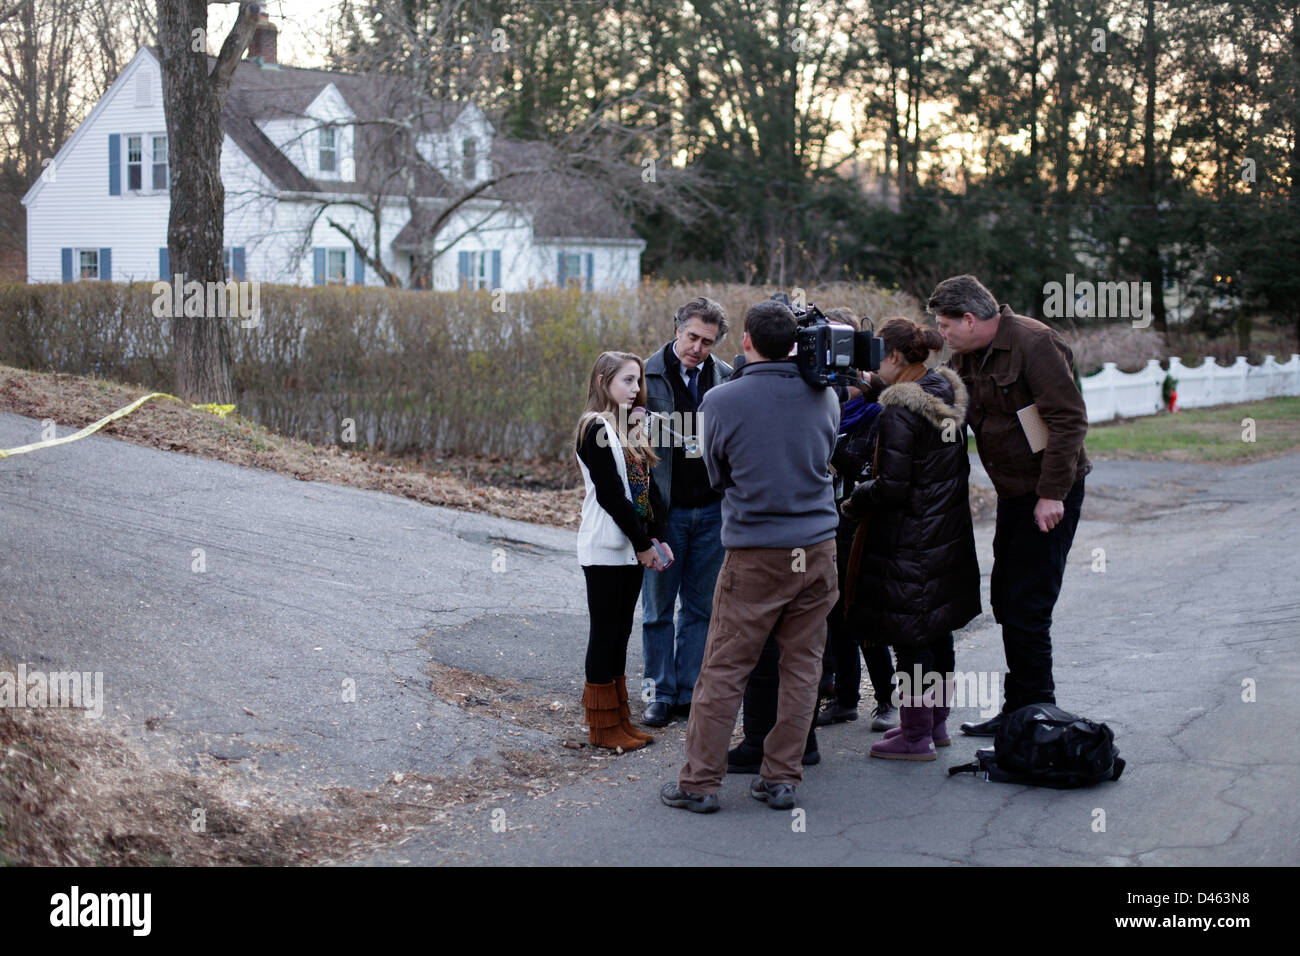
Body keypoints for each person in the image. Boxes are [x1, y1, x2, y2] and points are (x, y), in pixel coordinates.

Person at [660, 300, 840, 813]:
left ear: (744, 341)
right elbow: (825, 457)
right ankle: (782, 778)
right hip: (817, 548)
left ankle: (699, 783)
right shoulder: (825, 395)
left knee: (723, 669)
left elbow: (717, 474)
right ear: (793, 344)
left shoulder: (721, 400)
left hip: (756, 551)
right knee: (802, 667)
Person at [927, 275, 1090, 736]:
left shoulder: (1034, 343)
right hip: (1015, 494)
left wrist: (1052, 494)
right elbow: (944, 399)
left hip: (1049, 493)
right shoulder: (966, 354)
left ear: (971, 318)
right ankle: (1018, 712)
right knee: (1006, 598)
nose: (943, 334)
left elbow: (1068, 421)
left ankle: (1037, 715)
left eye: (945, 325)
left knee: (1029, 604)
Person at [841, 318, 982, 759]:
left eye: (878, 358)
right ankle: (935, 725)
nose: (872, 369)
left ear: (897, 358)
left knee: (911, 639)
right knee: (936, 632)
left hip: (908, 541)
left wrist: (855, 499)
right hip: (945, 533)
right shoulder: (943, 391)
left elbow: (893, 486)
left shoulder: (901, 410)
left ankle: (915, 735)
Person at [639, 298, 733, 726]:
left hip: (712, 510)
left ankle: (688, 691)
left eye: (707, 342)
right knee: (659, 608)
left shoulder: (726, 379)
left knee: (700, 609)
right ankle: (659, 692)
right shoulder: (642, 375)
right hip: (667, 512)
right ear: (677, 328)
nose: (697, 347)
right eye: (692, 336)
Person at [574, 352, 673, 752]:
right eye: (628, 381)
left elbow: (646, 489)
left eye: (638, 381)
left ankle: (620, 720)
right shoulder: (594, 426)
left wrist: (657, 535)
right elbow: (614, 496)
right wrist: (643, 543)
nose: (636, 390)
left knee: (621, 633)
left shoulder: (627, 425)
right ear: (602, 381)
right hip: (606, 546)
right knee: (605, 633)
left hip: (631, 547)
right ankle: (602, 728)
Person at [817, 308, 899, 733]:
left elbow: (869, 468)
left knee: (864, 614)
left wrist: (830, 450)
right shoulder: (820, 406)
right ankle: (845, 698)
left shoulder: (879, 411)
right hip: (825, 525)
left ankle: (886, 700)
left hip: (861, 525)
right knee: (835, 616)